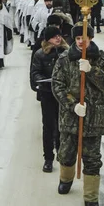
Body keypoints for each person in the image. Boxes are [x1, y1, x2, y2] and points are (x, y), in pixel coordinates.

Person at [51, 23, 104, 206]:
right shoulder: (64, 59)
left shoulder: (100, 58)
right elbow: (57, 85)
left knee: (92, 158)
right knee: (67, 153)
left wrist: (91, 71)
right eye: (78, 39)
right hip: (71, 117)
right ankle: (66, 179)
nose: (81, 42)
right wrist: (72, 105)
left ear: (91, 38)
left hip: (94, 118)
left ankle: (91, 197)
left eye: (84, 38)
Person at [30, 26, 70, 172]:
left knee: (62, 125)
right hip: (47, 93)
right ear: (48, 39)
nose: (58, 38)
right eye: (54, 37)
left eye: (59, 36)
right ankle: (48, 158)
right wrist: (44, 80)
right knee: (48, 126)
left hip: (63, 95)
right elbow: (35, 73)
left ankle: (62, 152)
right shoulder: (40, 54)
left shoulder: (66, 53)